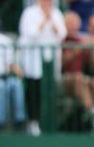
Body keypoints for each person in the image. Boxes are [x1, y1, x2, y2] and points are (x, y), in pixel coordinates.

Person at [18, 0, 67, 136]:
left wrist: (52, 21)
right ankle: (33, 122)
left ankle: (49, 123)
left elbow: (62, 33)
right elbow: (29, 34)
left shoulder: (56, 13)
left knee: (50, 92)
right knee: (34, 92)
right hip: (33, 62)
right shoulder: (29, 13)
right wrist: (44, 21)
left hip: (51, 62)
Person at [0, 28, 27, 132]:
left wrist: (17, 69)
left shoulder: (5, 40)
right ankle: (1, 123)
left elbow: (10, 63)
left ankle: (20, 121)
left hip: (6, 76)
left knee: (16, 84)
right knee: (1, 87)